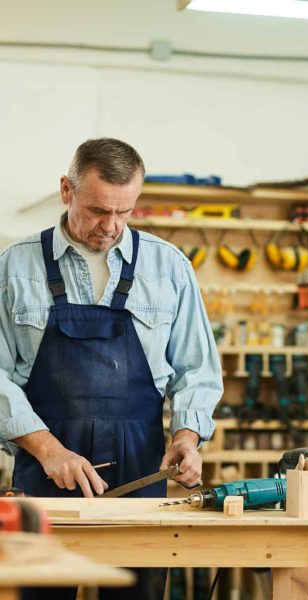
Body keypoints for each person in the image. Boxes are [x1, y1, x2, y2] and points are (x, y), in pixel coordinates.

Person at [0, 138, 223, 599]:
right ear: (67, 189)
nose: (111, 226)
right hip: (45, 480)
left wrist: (186, 438)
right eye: (99, 210)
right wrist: (46, 449)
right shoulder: (14, 268)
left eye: (125, 211)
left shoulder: (169, 269)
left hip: (141, 477)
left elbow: (197, 370)